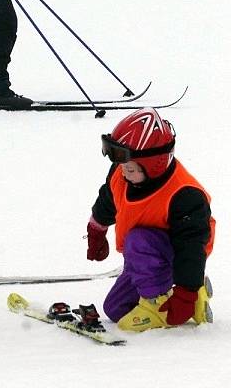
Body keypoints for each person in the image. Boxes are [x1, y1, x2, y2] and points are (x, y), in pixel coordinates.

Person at [85, 107, 215, 332]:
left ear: (154, 164)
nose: (124, 173)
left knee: (139, 239)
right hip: (144, 259)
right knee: (115, 309)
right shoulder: (122, 175)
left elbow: (191, 247)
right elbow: (109, 199)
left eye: (131, 169)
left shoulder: (185, 196)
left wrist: (186, 292)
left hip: (178, 255)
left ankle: (161, 302)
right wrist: (97, 230)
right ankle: (195, 298)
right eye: (122, 166)